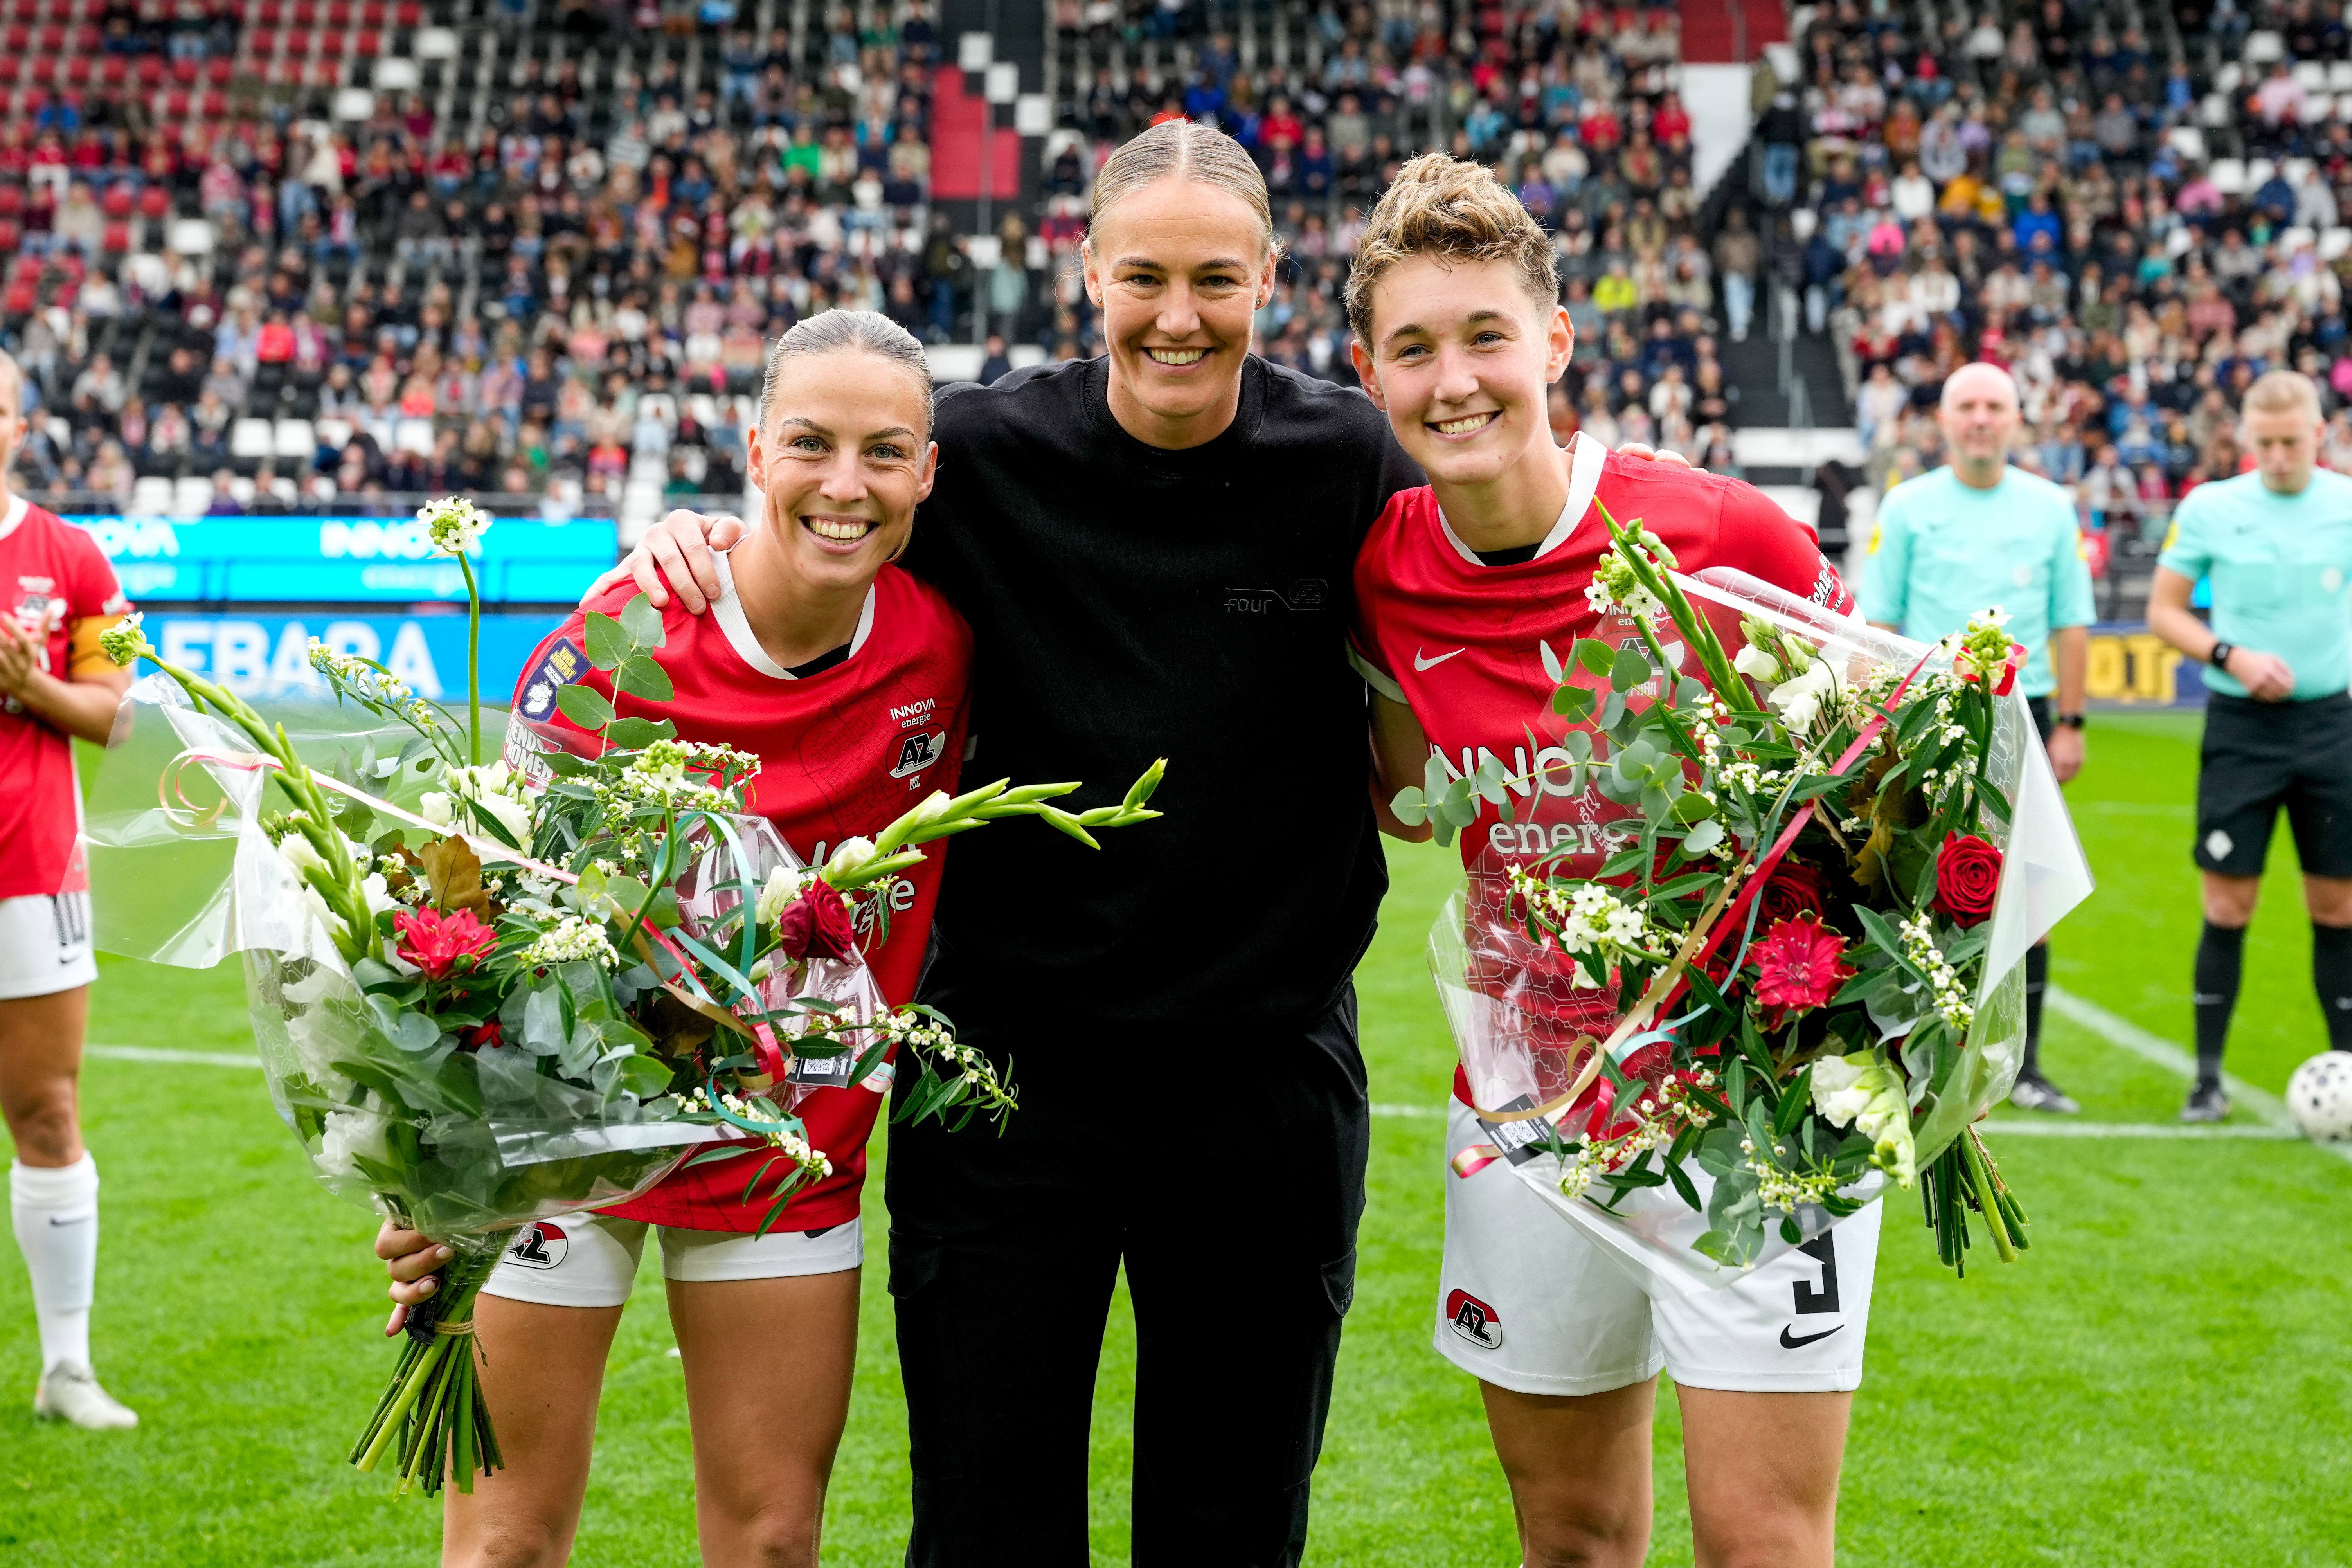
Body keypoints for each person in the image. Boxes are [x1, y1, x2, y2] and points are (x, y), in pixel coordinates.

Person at [549, 119, 1423, 1566]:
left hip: (1263, 1077)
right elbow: (835, 511)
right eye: (1144, 276)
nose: (1179, 316)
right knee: (987, 1518)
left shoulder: (1347, 458)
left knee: (1234, 1520)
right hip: (1004, 1073)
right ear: (1086, 272)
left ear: (1270, 276)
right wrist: (698, 534)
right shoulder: (983, 454)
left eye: (1218, 279)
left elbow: (1479, 595)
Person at [376, 313, 972, 1567]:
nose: (844, 485)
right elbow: (471, 911)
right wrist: (432, 1175)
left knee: (767, 1546)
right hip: (570, 1140)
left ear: (928, 473)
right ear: (753, 451)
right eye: (809, 443)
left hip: (783, 1151)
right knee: (502, 1548)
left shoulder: (945, 642)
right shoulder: (617, 640)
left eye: (884, 452)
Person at [1344, 153, 1869, 1568]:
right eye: (1413, 348)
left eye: (1485, 336)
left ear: (1555, 340)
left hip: (1758, 1112)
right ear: (1368, 371)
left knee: (1759, 1536)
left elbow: (1883, 790)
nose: (1453, 379)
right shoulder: (1379, 566)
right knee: (1570, 1533)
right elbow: (1397, 781)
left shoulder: (1722, 535)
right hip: (1530, 1111)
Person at [1859, 362, 2095, 1114]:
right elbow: (1880, 623)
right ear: (1946, 420)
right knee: (1916, 883)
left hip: (2026, 719)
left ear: (2018, 419)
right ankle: (1913, 1051)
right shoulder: (1907, 505)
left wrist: (2076, 724)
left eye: (1996, 405)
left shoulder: (2053, 508)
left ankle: (2021, 1064)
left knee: (2024, 888)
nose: (1982, 419)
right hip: (1927, 721)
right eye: (1968, 406)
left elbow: (2070, 621)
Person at [2147, 369, 2352, 1122]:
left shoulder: (2346, 503)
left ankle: (2348, 1074)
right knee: (2229, 904)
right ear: (2245, 438)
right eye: (2263, 443)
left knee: (2337, 905)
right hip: (2242, 732)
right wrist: (2230, 655)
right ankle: (2206, 1079)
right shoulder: (2211, 507)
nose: (2277, 456)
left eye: (2291, 442)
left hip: (2333, 725)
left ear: (2320, 434)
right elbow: (2165, 611)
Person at [0, 350, 140, 1430]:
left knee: (47, 1112)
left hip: (29, 872)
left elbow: (115, 715)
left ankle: (68, 1368)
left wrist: (28, 684)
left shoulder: (69, 555)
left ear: (18, 425)